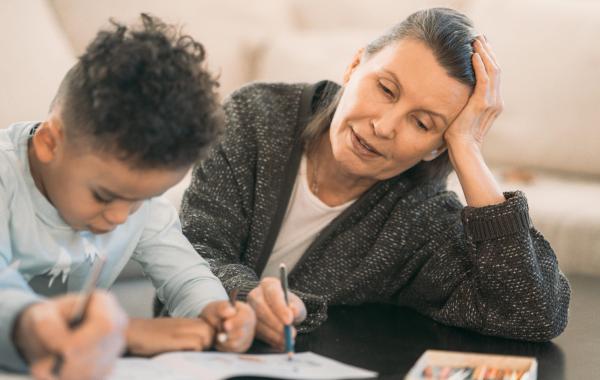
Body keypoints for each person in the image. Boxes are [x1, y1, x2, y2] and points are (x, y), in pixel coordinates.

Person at [177, 7, 570, 350]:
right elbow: (193, 247)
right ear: (354, 66)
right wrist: (247, 296)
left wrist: (467, 146)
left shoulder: (420, 219)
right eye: (385, 88)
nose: (384, 127)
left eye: (421, 122)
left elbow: (533, 314)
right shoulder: (255, 116)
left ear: (437, 146)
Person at [0, 14, 256, 379]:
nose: (121, 216)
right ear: (49, 143)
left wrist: (216, 314)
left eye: (139, 201)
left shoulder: (138, 201)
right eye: (104, 196)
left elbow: (185, 274)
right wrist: (124, 334)